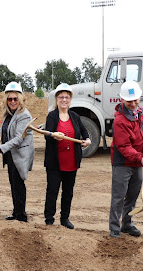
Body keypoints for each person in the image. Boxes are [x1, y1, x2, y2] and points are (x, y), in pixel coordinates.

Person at [109, 80, 143, 238]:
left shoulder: (140, 112)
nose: (133, 103)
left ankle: (127, 224)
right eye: (129, 100)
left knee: (133, 194)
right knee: (118, 196)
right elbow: (123, 147)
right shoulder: (120, 121)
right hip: (123, 163)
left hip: (137, 161)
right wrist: (140, 158)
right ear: (122, 100)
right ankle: (114, 228)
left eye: (136, 99)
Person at [44, 83, 91, 229]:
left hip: (71, 161)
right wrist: (54, 136)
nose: (64, 100)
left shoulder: (75, 116)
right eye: (61, 97)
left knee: (68, 192)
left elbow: (84, 133)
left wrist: (87, 140)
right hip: (55, 162)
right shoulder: (51, 116)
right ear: (56, 99)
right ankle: (49, 218)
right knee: (52, 190)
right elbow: (47, 136)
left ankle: (65, 218)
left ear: (70, 99)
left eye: (66, 97)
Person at [0, 81, 34, 222]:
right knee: (13, 183)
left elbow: (18, 138)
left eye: (15, 98)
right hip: (11, 154)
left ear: (20, 99)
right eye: (9, 99)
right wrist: (0, 132)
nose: (12, 101)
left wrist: (0, 148)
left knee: (18, 184)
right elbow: (5, 126)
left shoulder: (24, 115)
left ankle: (22, 216)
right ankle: (16, 212)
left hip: (20, 154)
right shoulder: (9, 112)